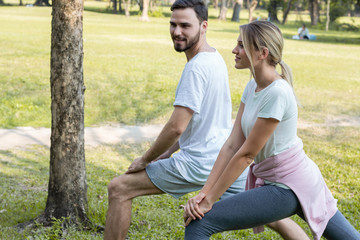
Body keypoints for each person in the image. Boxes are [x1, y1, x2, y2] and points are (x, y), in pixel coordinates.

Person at [104, 1, 309, 239]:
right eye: (173, 24)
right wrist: (166, 153)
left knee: (118, 188)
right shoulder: (215, 58)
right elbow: (196, 123)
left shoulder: (195, 69)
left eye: (185, 25)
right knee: (272, 216)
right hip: (223, 161)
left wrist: (145, 159)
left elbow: (176, 127)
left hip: (198, 164)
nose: (177, 31)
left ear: (203, 27)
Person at [183, 20, 360, 240]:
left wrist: (208, 202)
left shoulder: (278, 93)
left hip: (289, 185)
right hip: (284, 179)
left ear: (262, 53)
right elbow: (232, 145)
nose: (234, 50)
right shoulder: (253, 85)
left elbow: (247, 155)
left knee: (200, 223)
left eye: (241, 45)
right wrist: (205, 193)